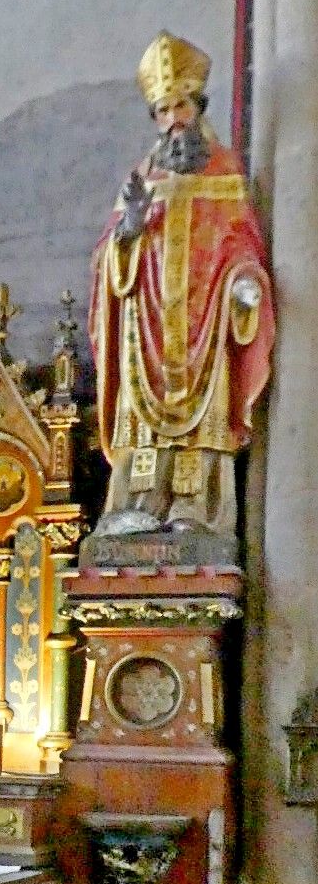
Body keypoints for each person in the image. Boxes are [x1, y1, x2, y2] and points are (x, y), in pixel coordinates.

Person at [89, 33, 274, 540]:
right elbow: (110, 256)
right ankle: (139, 501)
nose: (173, 119)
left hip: (206, 320)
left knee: (201, 423)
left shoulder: (227, 170)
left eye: (181, 106)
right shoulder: (141, 176)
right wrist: (127, 229)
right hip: (146, 322)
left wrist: (243, 286)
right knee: (144, 426)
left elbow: (242, 243)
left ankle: (197, 508)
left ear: (199, 106)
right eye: (163, 109)